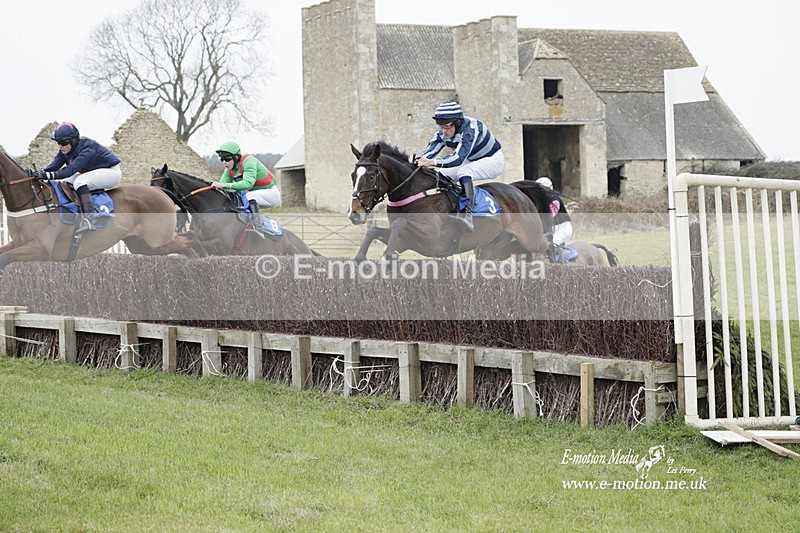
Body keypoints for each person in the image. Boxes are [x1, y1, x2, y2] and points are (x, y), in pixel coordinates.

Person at [416, 102, 504, 232]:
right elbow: (428, 154)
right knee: (442, 174)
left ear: (457, 122)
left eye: (447, 127)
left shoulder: (471, 130)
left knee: (465, 171)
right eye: (441, 127)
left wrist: (431, 162)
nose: (443, 131)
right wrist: (417, 161)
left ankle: (468, 215)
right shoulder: (442, 133)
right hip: (471, 159)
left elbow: (457, 159)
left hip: (492, 160)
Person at [31, 122, 122, 235]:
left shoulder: (88, 147)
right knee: (63, 182)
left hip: (111, 172)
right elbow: (54, 165)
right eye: (58, 143)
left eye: (63, 143)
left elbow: (70, 170)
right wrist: (40, 172)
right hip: (92, 171)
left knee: (80, 181)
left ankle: (89, 219)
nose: (61, 146)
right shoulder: (65, 149)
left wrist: (49, 175)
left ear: (73, 141)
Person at [211, 141, 281, 237]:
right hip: (256, 195)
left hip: (271, 194)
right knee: (235, 198)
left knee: (248, 196)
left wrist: (224, 186)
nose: (224, 163)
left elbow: (248, 184)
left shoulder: (248, 160)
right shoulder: (229, 170)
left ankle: (258, 229)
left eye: (227, 159)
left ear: (236, 157)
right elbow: (223, 187)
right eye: (222, 159)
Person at [536, 176, 573, 248]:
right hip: (552, 230)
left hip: (562, 229)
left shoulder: (555, 200)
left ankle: (561, 259)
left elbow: (548, 217)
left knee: (553, 246)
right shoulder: (542, 201)